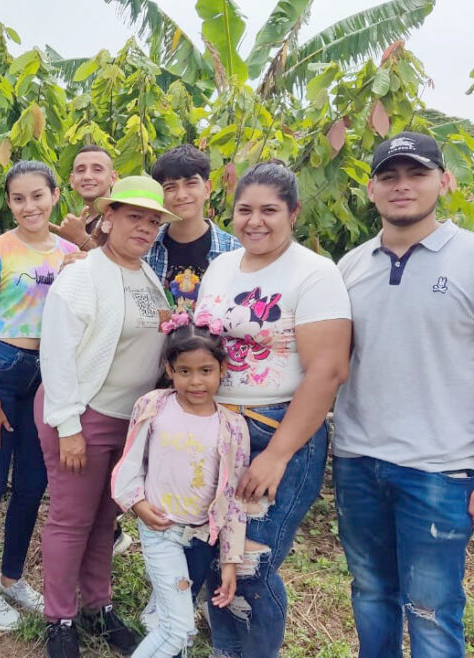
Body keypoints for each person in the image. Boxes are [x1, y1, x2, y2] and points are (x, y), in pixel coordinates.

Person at [333, 131, 474, 657]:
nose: (402, 187)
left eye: (416, 174)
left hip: (438, 470)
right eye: (389, 176)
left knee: (432, 611)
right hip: (357, 462)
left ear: (443, 181)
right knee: (371, 596)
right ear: (371, 190)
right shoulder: (349, 268)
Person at [192, 161, 351, 657]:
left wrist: (278, 455)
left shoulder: (313, 273)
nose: (255, 221)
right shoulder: (222, 266)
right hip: (215, 429)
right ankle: (225, 650)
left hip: (275, 429)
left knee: (250, 565)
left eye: (269, 210)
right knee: (215, 556)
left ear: (293, 213)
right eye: (244, 210)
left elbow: (327, 371)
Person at [35, 176, 178, 658]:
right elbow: (56, 353)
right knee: (71, 519)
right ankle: (59, 618)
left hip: (128, 420)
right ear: (109, 217)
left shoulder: (148, 277)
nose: (144, 227)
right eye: (134, 216)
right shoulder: (82, 274)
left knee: (104, 521)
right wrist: (69, 426)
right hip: (83, 412)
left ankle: (97, 606)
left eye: (153, 220)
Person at [0, 161, 77, 631]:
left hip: (44, 380)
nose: (29, 206)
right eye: (19, 198)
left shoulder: (72, 254)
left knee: (32, 485)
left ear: (54, 195)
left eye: (38, 196)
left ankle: (11, 578)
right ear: (9, 202)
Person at [111, 320, 249, 658]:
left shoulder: (231, 427)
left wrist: (231, 561)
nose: (196, 381)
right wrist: (137, 504)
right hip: (161, 533)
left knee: (173, 621)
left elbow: (233, 500)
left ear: (222, 369)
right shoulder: (154, 406)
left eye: (205, 370)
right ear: (169, 370)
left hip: (201, 537)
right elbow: (130, 462)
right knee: (179, 630)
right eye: (184, 371)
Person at [146, 144, 242, 312]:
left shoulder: (235, 252)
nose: (182, 195)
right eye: (170, 187)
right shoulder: (146, 250)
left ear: (207, 189)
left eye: (190, 184)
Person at [51, 145, 118, 251]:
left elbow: (122, 265)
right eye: (81, 170)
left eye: (97, 169)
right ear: (72, 181)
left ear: (113, 178)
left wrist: (80, 238)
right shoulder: (79, 224)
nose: (87, 176)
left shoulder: (123, 218)